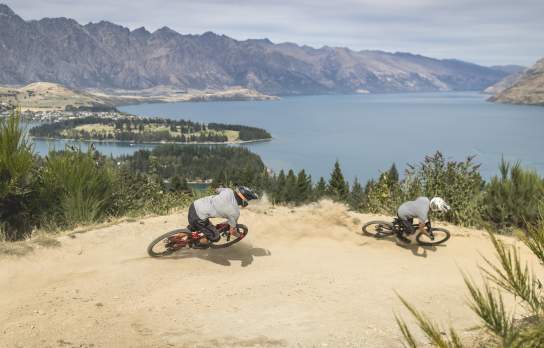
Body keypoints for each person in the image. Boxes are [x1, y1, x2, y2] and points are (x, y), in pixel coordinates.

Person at [187, 186, 258, 247]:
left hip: (194, 205)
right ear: (243, 201)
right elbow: (232, 231)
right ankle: (195, 243)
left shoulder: (228, 190)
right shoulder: (235, 212)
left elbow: (216, 190)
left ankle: (180, 236)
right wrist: (240, 236)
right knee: (215, 237)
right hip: (199, 217)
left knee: (195, 227)